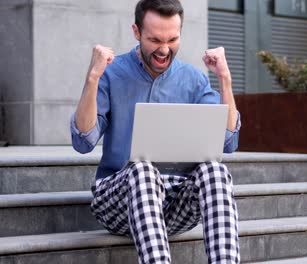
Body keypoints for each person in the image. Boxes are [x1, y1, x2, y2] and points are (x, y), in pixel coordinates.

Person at [69, 0, 241, 263]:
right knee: (142, 169)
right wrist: (93, 77)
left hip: (173, 206)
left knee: (216, 171)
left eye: (172, 39)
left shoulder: (194, 80)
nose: (164, 49)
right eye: (155, 40)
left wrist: (225, 79)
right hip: (118, 202)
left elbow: (227, 142)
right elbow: (83, 141)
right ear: (136, 33)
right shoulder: (111, 73)